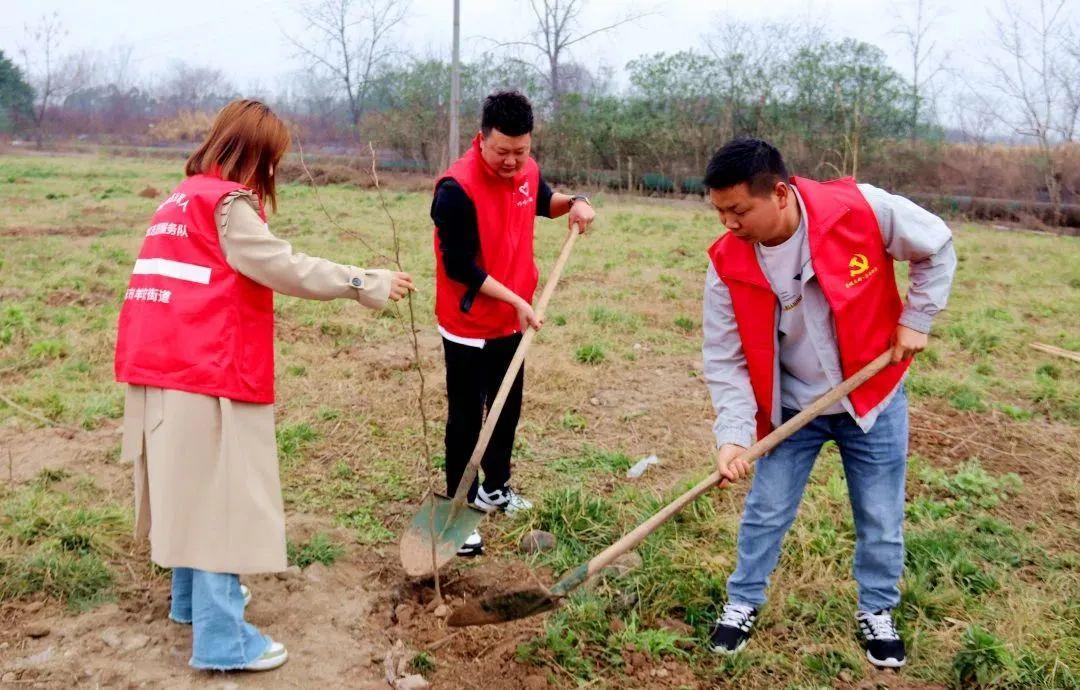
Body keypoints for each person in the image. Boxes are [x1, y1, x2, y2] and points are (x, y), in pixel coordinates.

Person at [114, 99, 414, 672]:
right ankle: (222, 639)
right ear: (256, 155)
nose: (273, 172)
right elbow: (283, 265)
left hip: (160, 365)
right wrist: (362, 281)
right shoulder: (228, 203)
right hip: (205, 371)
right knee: (219, 501)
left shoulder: (179, 198)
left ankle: (189, 605)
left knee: (187, 491)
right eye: (273, 159)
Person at [700, 138, 956, 668]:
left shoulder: (859, 209)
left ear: (781, 193)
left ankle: (877, 610)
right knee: (766, 510)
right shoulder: (726, 263)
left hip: (872, 395)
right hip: (793, 409)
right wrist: (732, 436)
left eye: (739, 210)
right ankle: (742, 602)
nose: (728, 223)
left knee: (880, 515)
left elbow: (937, 245)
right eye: (719, 210)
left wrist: (917, 319)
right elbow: (725, 360)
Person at [431, 90, 596, 556]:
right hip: (468, 321)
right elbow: (460, 266)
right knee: (467, 414)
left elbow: (541, 199)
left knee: (507, 406)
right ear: (480, 139)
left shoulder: (527, 168)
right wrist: (516, 300)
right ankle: (458, 508)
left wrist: (576, 202)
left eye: (520, 152)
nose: (511, 161)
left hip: (512, 318)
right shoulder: (455, 190)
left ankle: (495, 487)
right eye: (501, 151)